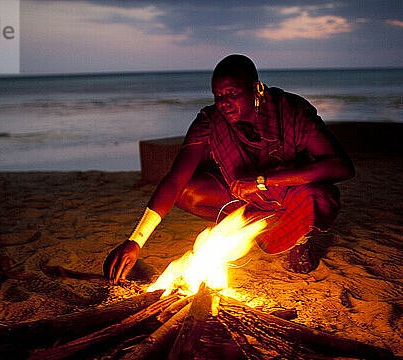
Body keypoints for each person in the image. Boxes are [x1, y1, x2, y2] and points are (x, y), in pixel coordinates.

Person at [104, 54, 354, 284]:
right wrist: (136, 240)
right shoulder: (210, 121)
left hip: (287, 192)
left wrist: (262, 181)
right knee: (185, 192)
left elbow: (342, 166)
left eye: (232, 93)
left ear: (256, 88)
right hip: (244, 198)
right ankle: (249, 228)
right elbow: (175, 179)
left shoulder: (290, 111)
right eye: (217, 95)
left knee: (319, 198)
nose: (223, 102)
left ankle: (299, 241)